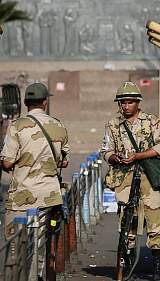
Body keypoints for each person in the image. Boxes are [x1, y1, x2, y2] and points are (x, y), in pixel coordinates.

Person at [1, 82, 70, 281]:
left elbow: (7, 163)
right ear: (45, 103)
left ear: (24, 102)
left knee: (15, 245)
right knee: (45, 246)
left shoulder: (17, 126)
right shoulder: (58, 126)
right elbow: (64, 162)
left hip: (22, 198)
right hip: (49, 199)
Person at [101, 81, 160, 280]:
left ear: (138, 102)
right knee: (126, 224)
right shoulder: (113, 124)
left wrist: (138, 156)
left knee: (154, 222)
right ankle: (127, 262)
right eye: (122, 103)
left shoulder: (151, 121)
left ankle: (157, 268)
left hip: (148, 177)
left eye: (130, 102)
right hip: (124, 178)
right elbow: (105, 150)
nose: (125, 106)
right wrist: (115, 158)